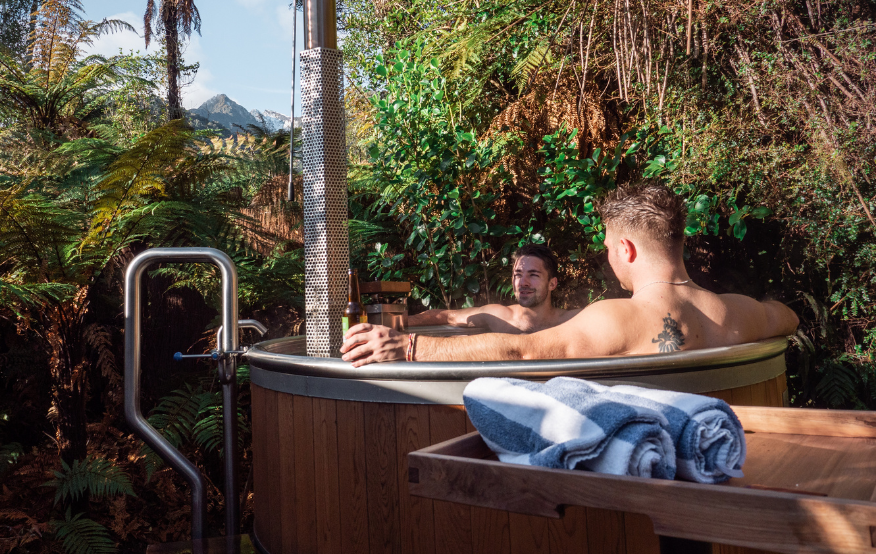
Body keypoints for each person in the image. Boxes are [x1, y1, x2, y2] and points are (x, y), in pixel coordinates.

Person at [341, 182, 799, 367]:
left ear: (627, 248)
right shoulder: (738, 313)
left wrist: (409, 345)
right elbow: (788, 317)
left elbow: (521, 353)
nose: (607, 255)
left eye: (606, 247)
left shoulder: (614, 319)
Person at [407, 244, 577, 333]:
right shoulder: (499, 317)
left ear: (552, 283)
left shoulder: (570, 321)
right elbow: (447, 316)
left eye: (533, 275)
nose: (522, 282)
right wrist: (396, 323)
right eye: (518, 274)